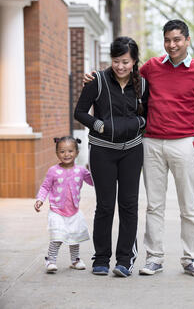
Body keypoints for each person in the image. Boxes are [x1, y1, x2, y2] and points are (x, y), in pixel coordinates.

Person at [138, 19, 194, 277]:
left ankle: (192, 259)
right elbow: (123, 78)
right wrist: (96, 77)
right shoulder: (151, 67)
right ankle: (154, 258)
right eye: (168, 40)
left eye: (177, 40)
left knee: (188, 206)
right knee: (154, 206)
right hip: (151, 143)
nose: (172, 45)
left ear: (187, 40)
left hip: (183, 143)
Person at [74, 36, 148, 278]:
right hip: (102, 151)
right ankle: (102, 258)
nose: (120, 66)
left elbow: (149, 113)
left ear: (134, 61)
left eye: (125, 61)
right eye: (116, 61)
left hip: (132, 151)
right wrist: (99, 125)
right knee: (105, 206)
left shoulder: (143, 85)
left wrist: (140, 122)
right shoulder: (97, 80)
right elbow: (80, 112)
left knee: (128, 206)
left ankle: (125, 260)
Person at [34, 136, 93, 273]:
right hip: (57, 210)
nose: (66, 154)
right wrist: (40, 200)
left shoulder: (81, 171)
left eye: (70, 151)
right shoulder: (53, 171)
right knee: (57, 237)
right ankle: (51, 261)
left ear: (77, 152)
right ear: (57, 153)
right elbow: (45, 187)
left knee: (75, 237)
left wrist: (97, 171)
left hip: (74, 211)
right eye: (62, 151)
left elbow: (93, 181)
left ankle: (75, 260)